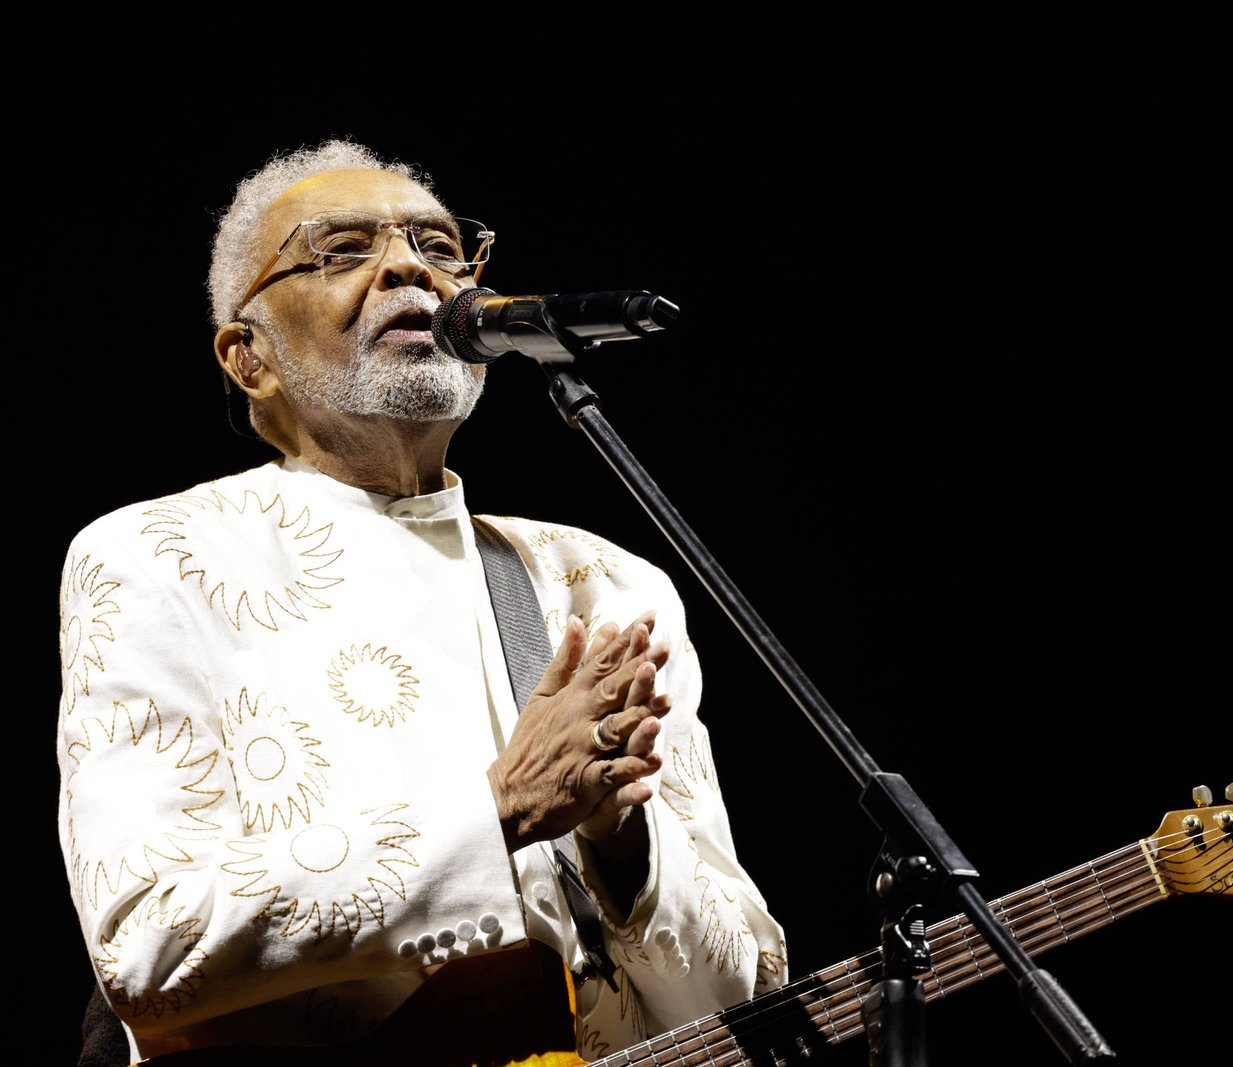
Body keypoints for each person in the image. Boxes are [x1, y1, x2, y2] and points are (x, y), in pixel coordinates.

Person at [56, 141, 786, 1065]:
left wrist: (623, 843)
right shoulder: (156, 555)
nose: (409, 265)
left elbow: (741, 993)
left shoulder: (603, 584)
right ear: (250, 359)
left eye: (440, 248)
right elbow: (147, 945)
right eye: (340, 248)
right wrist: (502, 811)